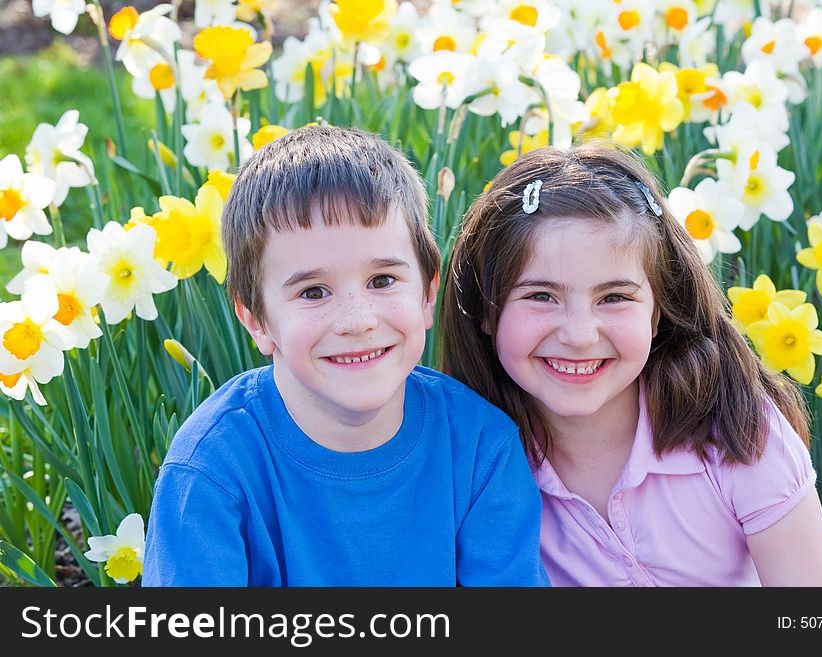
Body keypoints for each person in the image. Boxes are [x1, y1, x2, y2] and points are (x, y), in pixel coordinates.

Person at [142, 125, 547, 586]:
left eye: (382, 281)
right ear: (256, 318)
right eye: (313, 291)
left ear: (428, 292)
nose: (357, 320)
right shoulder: (213, 469)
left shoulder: (479, 446)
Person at [440, 142, 822, 586]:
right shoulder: (476, 464)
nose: (579, 334)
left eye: (614, 297)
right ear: (485, 309)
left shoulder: (737, 431)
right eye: (541, 296)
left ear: (657, 312)